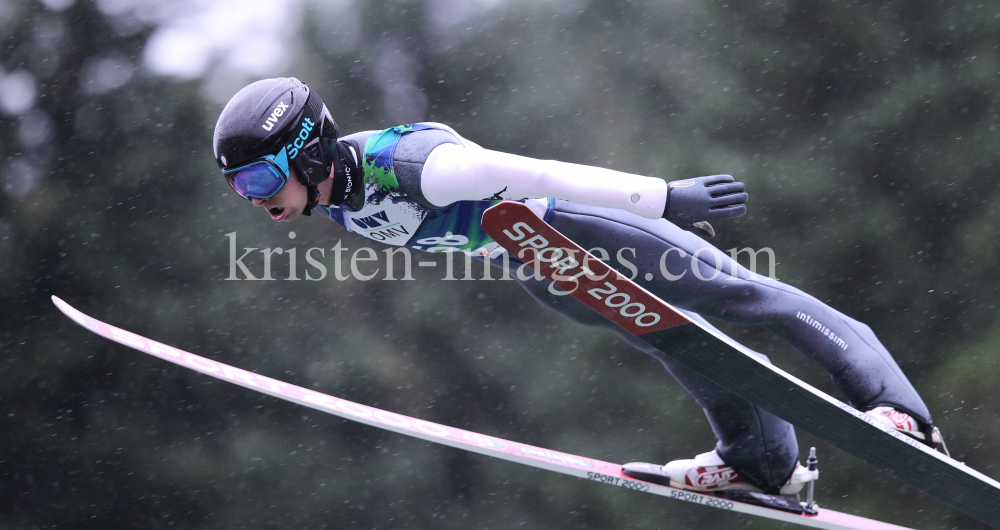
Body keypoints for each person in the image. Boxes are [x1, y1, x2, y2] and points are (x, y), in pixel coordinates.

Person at [212, 77, 944, 497]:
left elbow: (541, 175)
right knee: (668, 336)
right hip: (536, 263)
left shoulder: (417, 167)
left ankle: (897, 407)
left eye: (260, 178)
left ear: (306, 151)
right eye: (240, 187)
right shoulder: (332, 200)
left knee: (741, 295)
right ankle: (764, 460)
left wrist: (661, 198)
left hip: (584, 225)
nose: (255, 199)